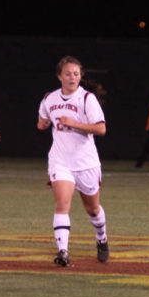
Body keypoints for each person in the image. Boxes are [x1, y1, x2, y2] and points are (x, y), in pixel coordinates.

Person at [37, 56, 109, 266]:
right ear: (60, 76)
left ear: (81, 76)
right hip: (60, 161)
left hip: (86, 163)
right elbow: (42, 120)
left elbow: (101, 128)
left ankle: (101, 238)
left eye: (76, 74)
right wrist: (42, 123)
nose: (72, 77)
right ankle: (63, 252)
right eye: (68, 73)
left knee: (93, 209)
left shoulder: (87, 99)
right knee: (62, 205)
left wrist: (75, 124)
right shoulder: (49, 98)